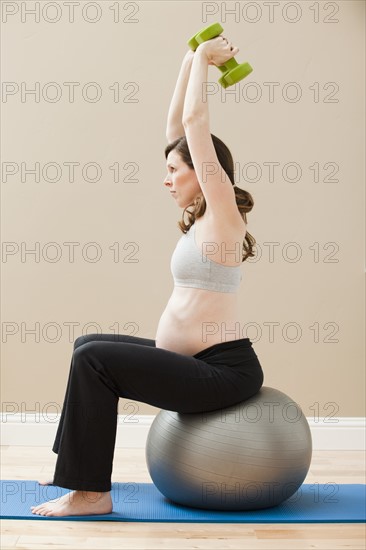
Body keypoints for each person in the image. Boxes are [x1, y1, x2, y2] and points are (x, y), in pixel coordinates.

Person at [31, 35, 264, 517]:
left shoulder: (223, 213)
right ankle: (71, 468)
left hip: (224, 373)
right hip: (199, 362)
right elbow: (178, 126)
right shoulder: (203, 218)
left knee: (96, 361)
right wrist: (187, 59)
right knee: (87, 345)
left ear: (203, 171)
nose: (166, 179)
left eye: (173, 170)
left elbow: (196, 124)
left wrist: (203, 58)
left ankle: (91, 495)